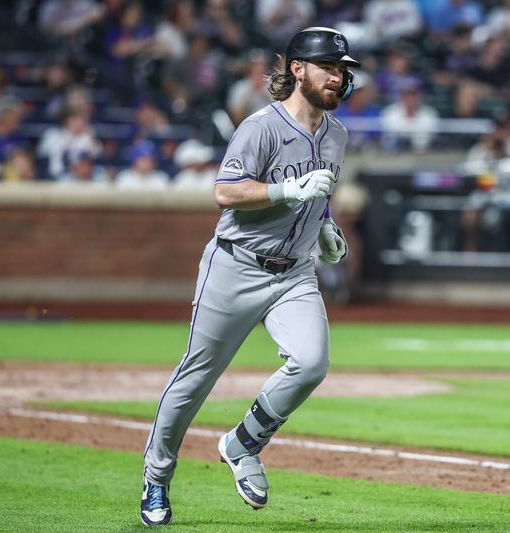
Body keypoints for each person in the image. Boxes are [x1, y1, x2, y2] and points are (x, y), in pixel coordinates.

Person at [140, 26, 358, 526]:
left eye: (343, 70)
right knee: (197, 376)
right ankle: (156, 478)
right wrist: (289, 192)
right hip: (236, 264)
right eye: (329, 67)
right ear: (298, 70)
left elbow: (317, 195)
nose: (338, 77)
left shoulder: (338, 135)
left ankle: (242, 444)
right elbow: (226, 192)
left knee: (312, 362)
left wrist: (325, 227)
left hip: (295, 274)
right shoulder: (261, 126)